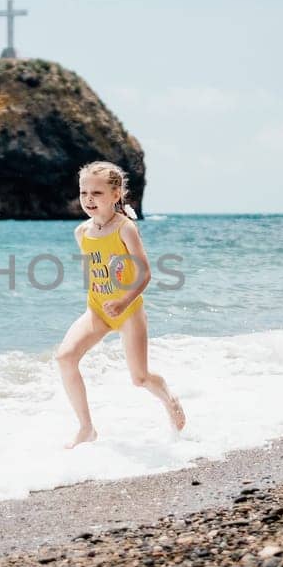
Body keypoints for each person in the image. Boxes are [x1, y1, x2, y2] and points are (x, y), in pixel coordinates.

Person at [54, 161, 186, 448]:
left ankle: (167, 397)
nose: (89, 199)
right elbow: (97, 271)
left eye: (97, 193)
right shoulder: (81, 233)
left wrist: (123, 299)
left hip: (128, 311)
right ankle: (86, 428)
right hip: (97, 310)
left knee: (139, 379)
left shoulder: (125, 229)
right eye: (84, 192)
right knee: (65, 357)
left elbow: (145, 273)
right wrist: (101, 300)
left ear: (116, 195)